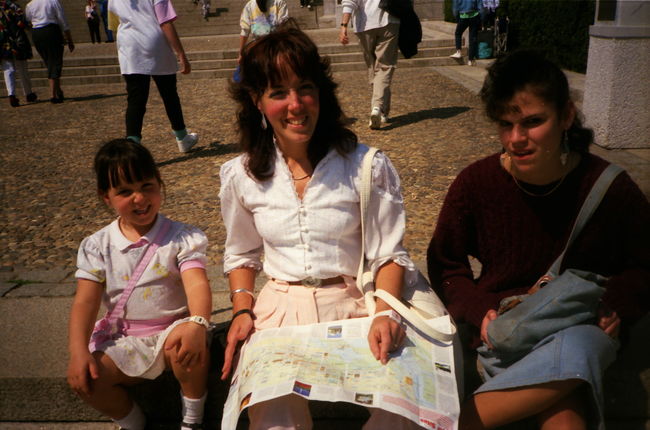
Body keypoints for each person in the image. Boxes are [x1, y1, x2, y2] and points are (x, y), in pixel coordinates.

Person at [427, 50, 650, 430]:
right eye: (505, 124)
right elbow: (446, 264)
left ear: (566, 116)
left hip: (578, 324)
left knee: (580, 346)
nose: (516, 139)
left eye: (532, 122)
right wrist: (479, 309)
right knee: (566, 411)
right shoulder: (476, 183)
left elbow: (645, 262)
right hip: (509, 328)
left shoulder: (610, 188)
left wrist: (618, 304)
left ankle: (461, 423)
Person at [220, 22, 424, 429]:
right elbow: (241, 253)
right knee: (273, 417)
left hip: (356, 304)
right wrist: (242, 308)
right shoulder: (241, 175)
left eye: (305, 88)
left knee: (402, 408)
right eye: (278, 93)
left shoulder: (365, 166)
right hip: (279, 311)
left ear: (321, 92)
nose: (296, 104)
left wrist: (385, 312)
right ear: (257, 101)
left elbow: (388, 253)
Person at [67, 138, 212, 430]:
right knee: (90, 381)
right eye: (125, 191)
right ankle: (133, 422)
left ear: (159, 184)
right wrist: (78, 351)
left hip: (174, 328)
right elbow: (85, 301)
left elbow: (196, 283)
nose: (139, 198)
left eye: (147, 186)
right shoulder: (98, 246)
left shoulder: (182, 238)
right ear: (105, 197)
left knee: (187, 348)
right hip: (125, 338)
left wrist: (198, 322)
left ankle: (193, 420)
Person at [108, 0, 199, 153]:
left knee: (136, 99)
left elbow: (113, 24)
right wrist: (181, 54)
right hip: (155, 44)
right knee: (169, 94)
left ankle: (132, 146)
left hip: (129, 46)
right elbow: (165, 23)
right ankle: (182, 137)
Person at [339, 0, 400, 130]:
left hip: (364, 23)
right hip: (389, 20)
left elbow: (349, 2)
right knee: (384, 67)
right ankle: (378, 108)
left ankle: (380, 109)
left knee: (374, 67)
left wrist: (344, 25)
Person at [25, 0, 74, 103]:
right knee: (55, 61)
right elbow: (62, 20)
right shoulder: (53, 1)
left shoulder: (30, 4)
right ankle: (53, 94)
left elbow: (28, 20)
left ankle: (58, 90)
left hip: (37, 33)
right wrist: (69, 39)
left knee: (49, 61)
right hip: (51, 31)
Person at [1, 0, 37, 107]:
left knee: (8, 69)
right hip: (17, 40)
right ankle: (28, 93)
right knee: (22, 67)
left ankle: (11, 94)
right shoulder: (14, 6)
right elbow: (22, 22)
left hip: (3, 41)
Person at [237, 0, 287, 64]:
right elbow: (244, 31)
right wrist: (241, 54)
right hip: (258, 49)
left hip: (275, 48)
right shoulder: (249, 5)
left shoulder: (279, 3)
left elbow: (283, 27)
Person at [449, 0, 481, 66]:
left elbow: (455, 6)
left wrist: (457, 18)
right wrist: (481, 17)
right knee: (472, 37)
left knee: (458, 33)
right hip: (474, 15)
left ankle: (459, 52)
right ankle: (470, 60)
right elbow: (480, 5)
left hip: (463, 15)